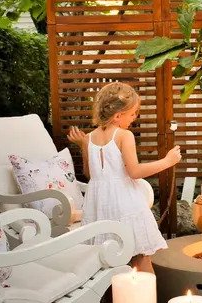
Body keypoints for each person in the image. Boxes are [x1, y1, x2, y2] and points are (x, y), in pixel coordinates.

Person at [67, 81, 181, 273]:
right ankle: (147, 293)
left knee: (107, 259)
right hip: (125, 203)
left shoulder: (90, 137)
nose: (135, 117)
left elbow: (90, 175)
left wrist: (83, 146)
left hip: (99, 205)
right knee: (141, 256)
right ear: (118, 115)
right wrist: (167, 161)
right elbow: (134, 172)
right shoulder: (124, 135)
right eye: (133, 113)